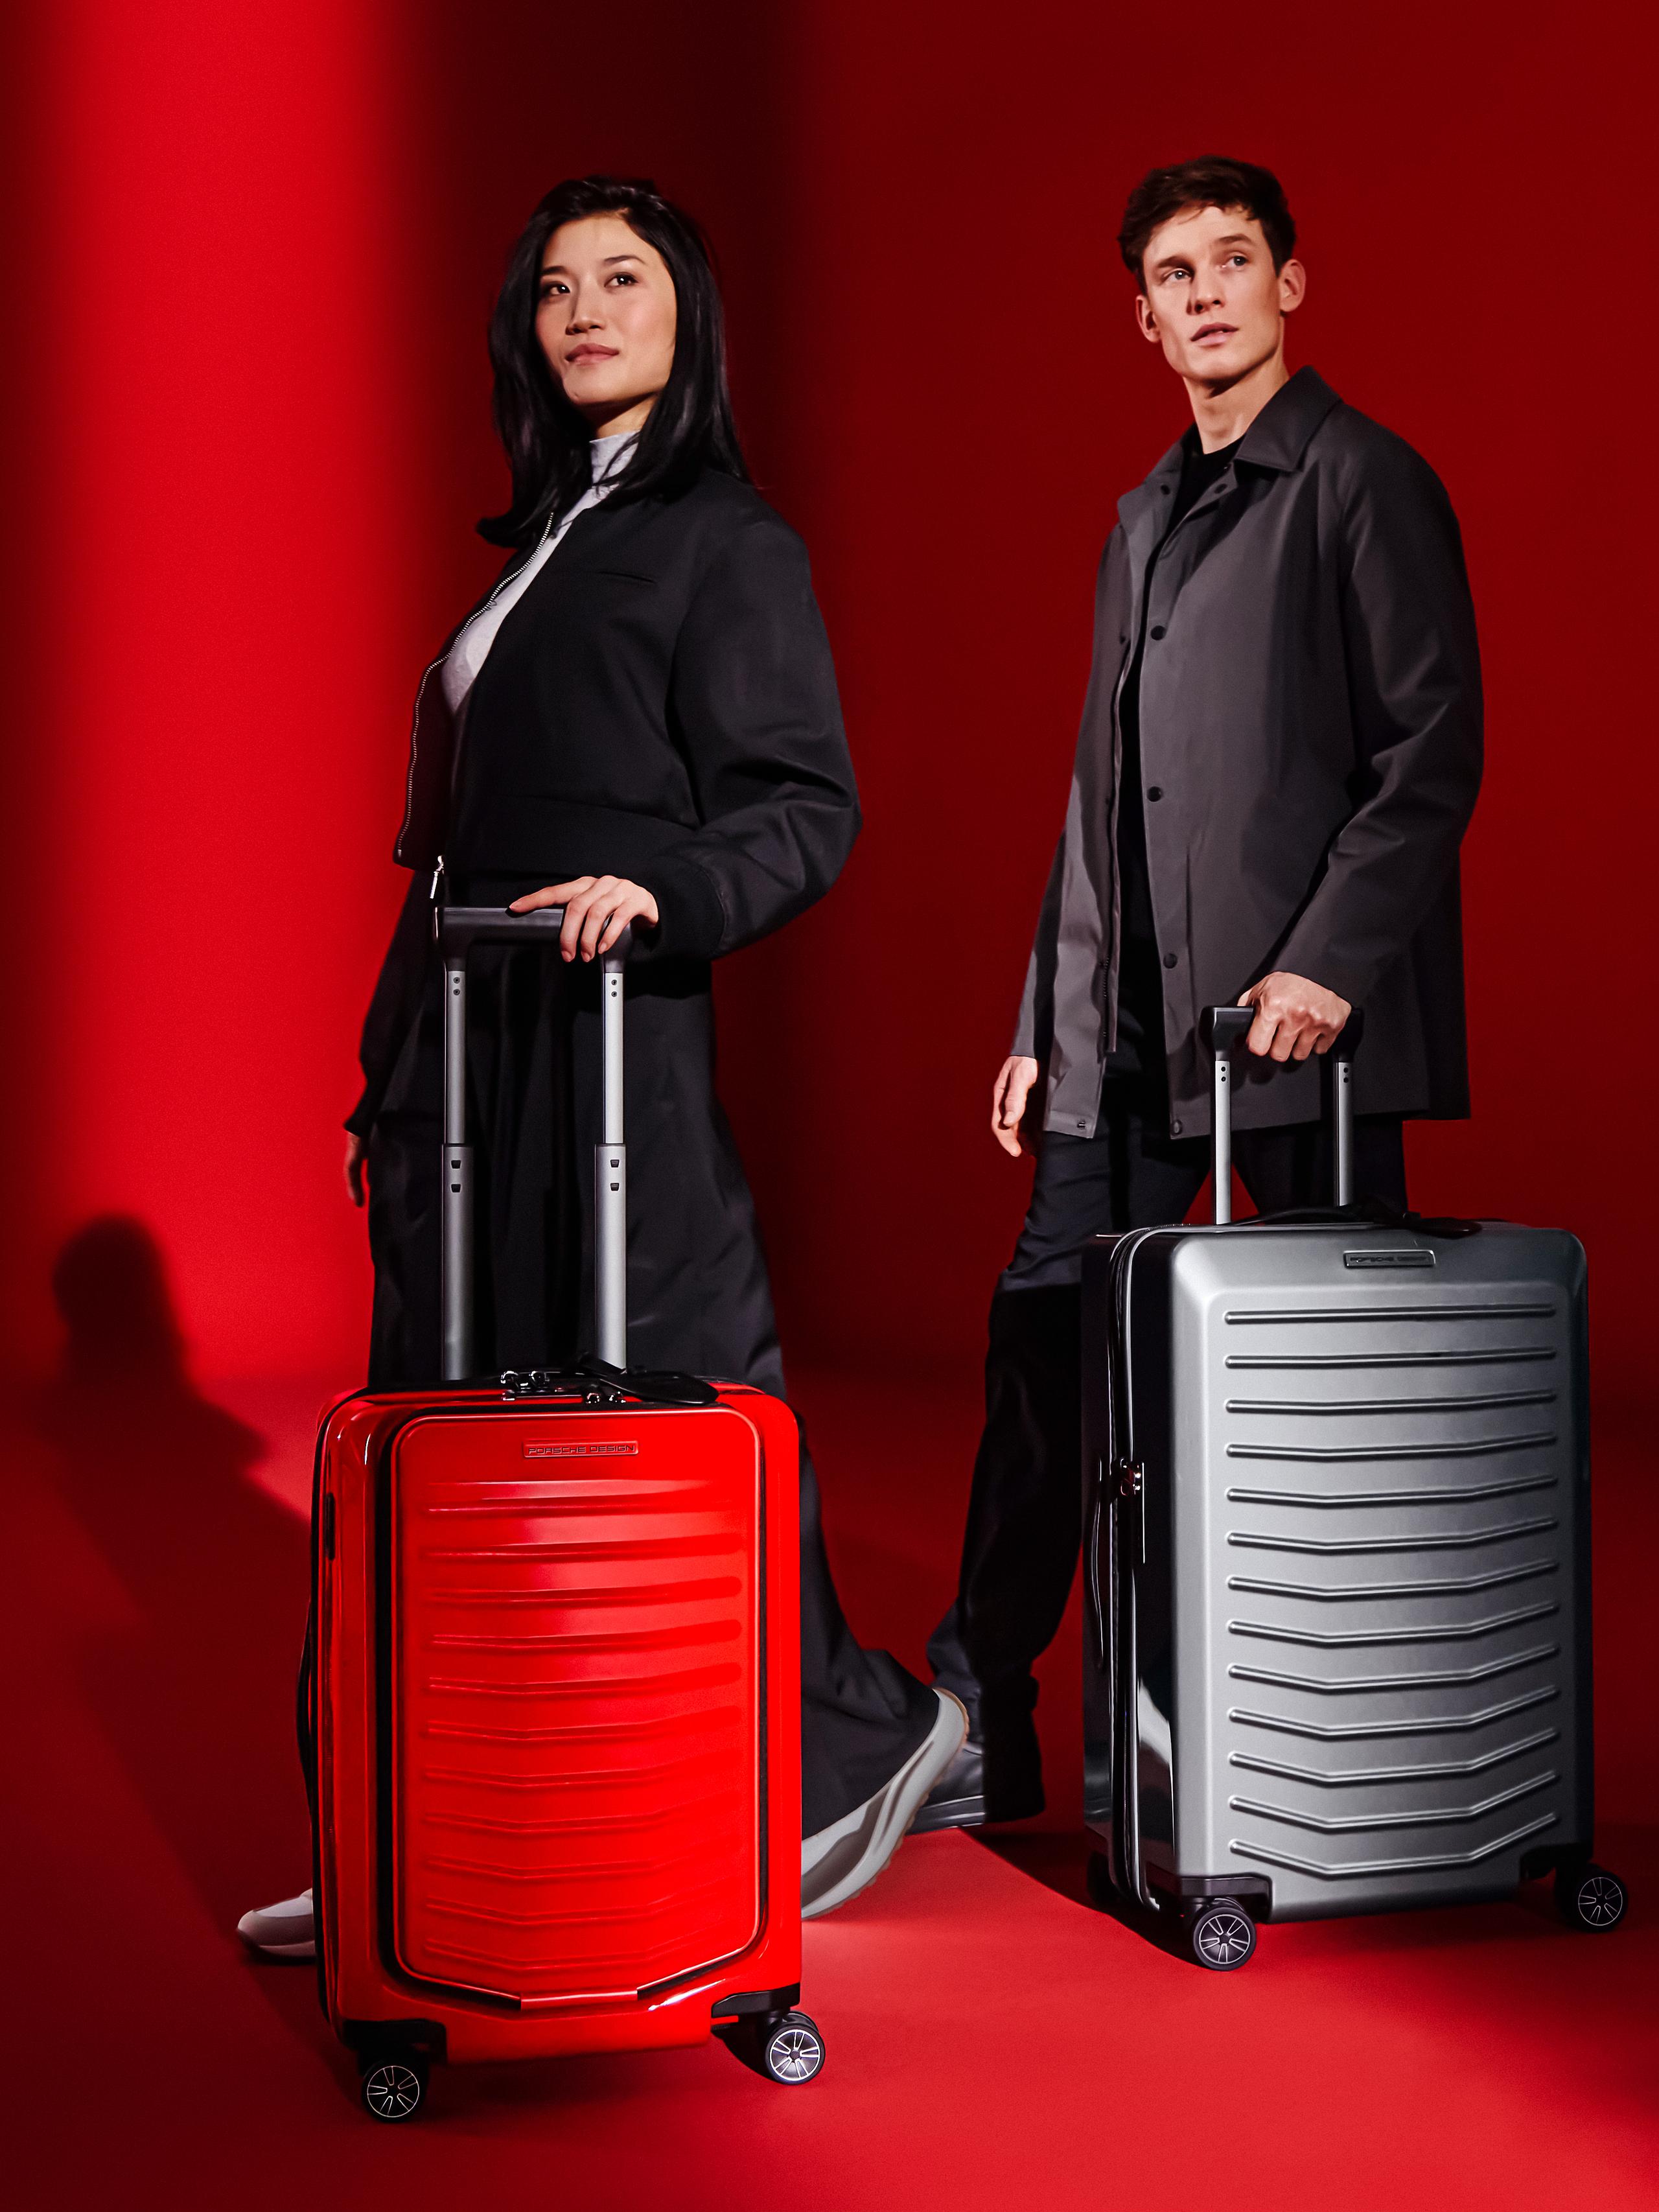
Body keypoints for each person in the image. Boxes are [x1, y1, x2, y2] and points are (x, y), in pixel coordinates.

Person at [238, 175, 963, 1957]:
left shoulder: (727, 538)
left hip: (615, 1038)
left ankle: (857, 1747)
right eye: (557, 288)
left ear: (686, 315)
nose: (586, 311)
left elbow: (807, 808)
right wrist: (384, 1073)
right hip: (467, 1066)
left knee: (675, 1397)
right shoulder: (542, 551)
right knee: (440, 1435)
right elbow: (441, 856)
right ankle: (412, 1833)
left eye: (624, 280)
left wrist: (665, 886)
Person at [916, 156, 1483, 1831]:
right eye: (1176, 273)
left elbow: (1430, 752)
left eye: (1236, 261)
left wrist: (1328, 963)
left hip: (1307, 1035)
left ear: (1292, 284)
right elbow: (1102, 791)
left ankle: (1364, 1724)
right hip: (1128, 1034)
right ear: (1144, 313)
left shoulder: (1367, 483)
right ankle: (980, 1714)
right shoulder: (1141, 519)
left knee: (1339, 1387)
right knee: (1047, 1351)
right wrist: (1043, 1013)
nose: (1208, 294)